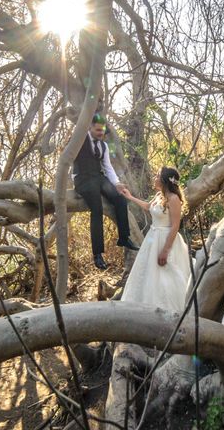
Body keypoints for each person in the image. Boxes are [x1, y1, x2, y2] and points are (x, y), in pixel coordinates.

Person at [119, 167, 191, 312]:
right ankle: (145, 308)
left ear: (165, 180)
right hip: (152, 238)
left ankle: (169, 310)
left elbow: (175, 226)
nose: (154, 178)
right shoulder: (159, 195)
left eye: (157, 176)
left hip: (166, 240)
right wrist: (130, 197)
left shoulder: (174, 199)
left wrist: (165, 250)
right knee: (148, 275)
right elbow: (148, 206)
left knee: (166, 277)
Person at [73, 114, 139, 270]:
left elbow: (108, 167)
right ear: (90, 128)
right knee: (97, 209)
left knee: (120, 199)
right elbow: (67, 159)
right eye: (97, 130)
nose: (101, 133)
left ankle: (124, 237)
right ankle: (97, 254)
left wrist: (116, 184)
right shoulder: (79, 140)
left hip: (98, 177)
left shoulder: (104, 146)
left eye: (102, 130)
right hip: (82, 179)